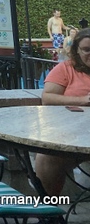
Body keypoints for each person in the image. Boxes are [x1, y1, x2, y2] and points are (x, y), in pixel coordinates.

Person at [36, 27, 90, 195]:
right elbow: (48, 98)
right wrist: (83, 100)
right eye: (87, 50)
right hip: (73, 135)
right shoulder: (66, 69)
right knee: (47, 157)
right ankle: (49, 212)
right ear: (77, 50)